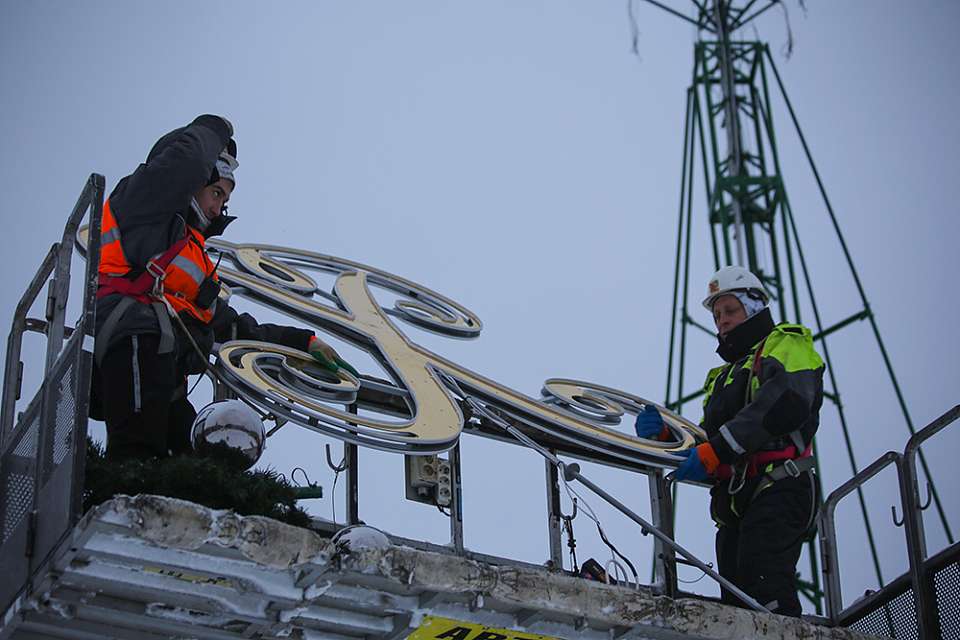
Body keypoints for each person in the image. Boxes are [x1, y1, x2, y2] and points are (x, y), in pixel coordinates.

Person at [91, 114, 357, 461]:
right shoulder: (144, 204)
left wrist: (301, 341)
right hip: (134, 344)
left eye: (225, 198)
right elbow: (184, 163)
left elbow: (229, 327)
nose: (219, 206)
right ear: (192, 184)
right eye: (216, 191)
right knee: (138, 454)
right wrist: (216, 129)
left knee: (194, 457)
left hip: (165, 366)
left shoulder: (192, 253)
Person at [636, 265, 823, 617]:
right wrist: (668, 439)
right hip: (736, 501)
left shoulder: (787, 344)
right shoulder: (723, 377)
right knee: (736, 603)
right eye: (717, 314)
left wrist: (716, 449)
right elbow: (710, 446)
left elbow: (785, 403)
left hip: (779, 486)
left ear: (754, 308)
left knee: (765, 587)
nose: (722, 320)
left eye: (730, 310)